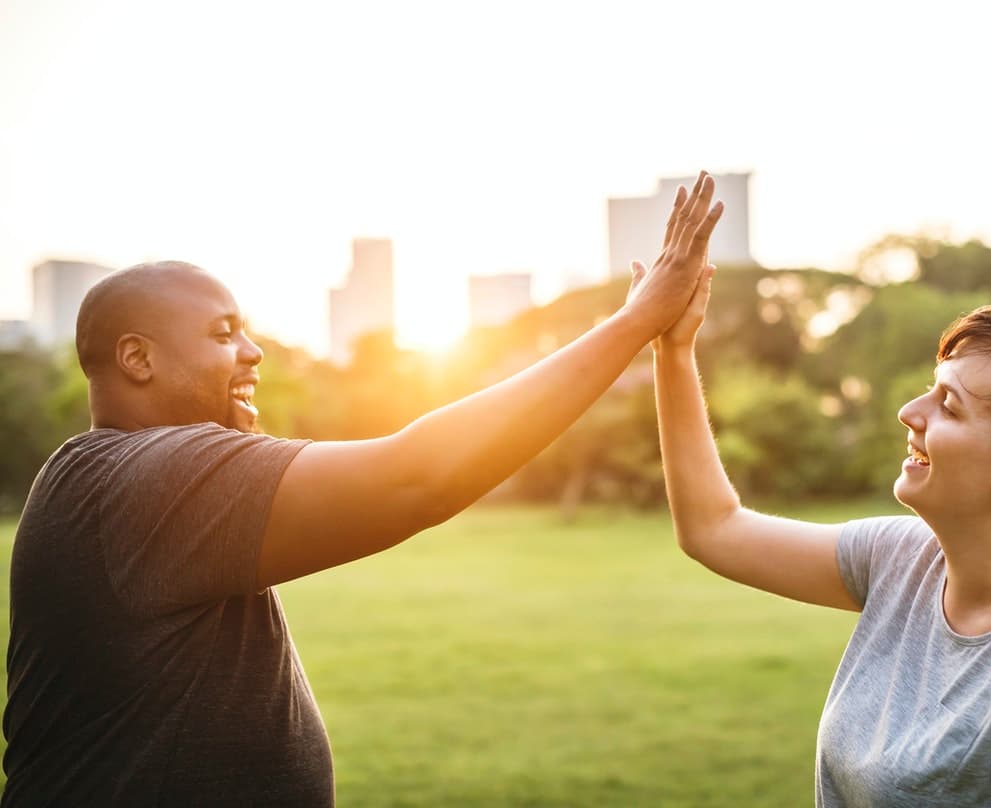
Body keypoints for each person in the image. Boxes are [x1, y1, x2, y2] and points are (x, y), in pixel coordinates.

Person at [1, 174, 723, 806]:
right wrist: (635, 323)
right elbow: (417, 477)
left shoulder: (115, 477)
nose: (252, 352)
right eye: (224, 334)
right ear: (137, 360)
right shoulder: (141, 480)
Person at [647, 278, 991, 807]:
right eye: (931, 388)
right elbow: (714, 530)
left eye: (950, 406)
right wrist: (675, 346)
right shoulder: (902, 557)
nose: (910, 412)